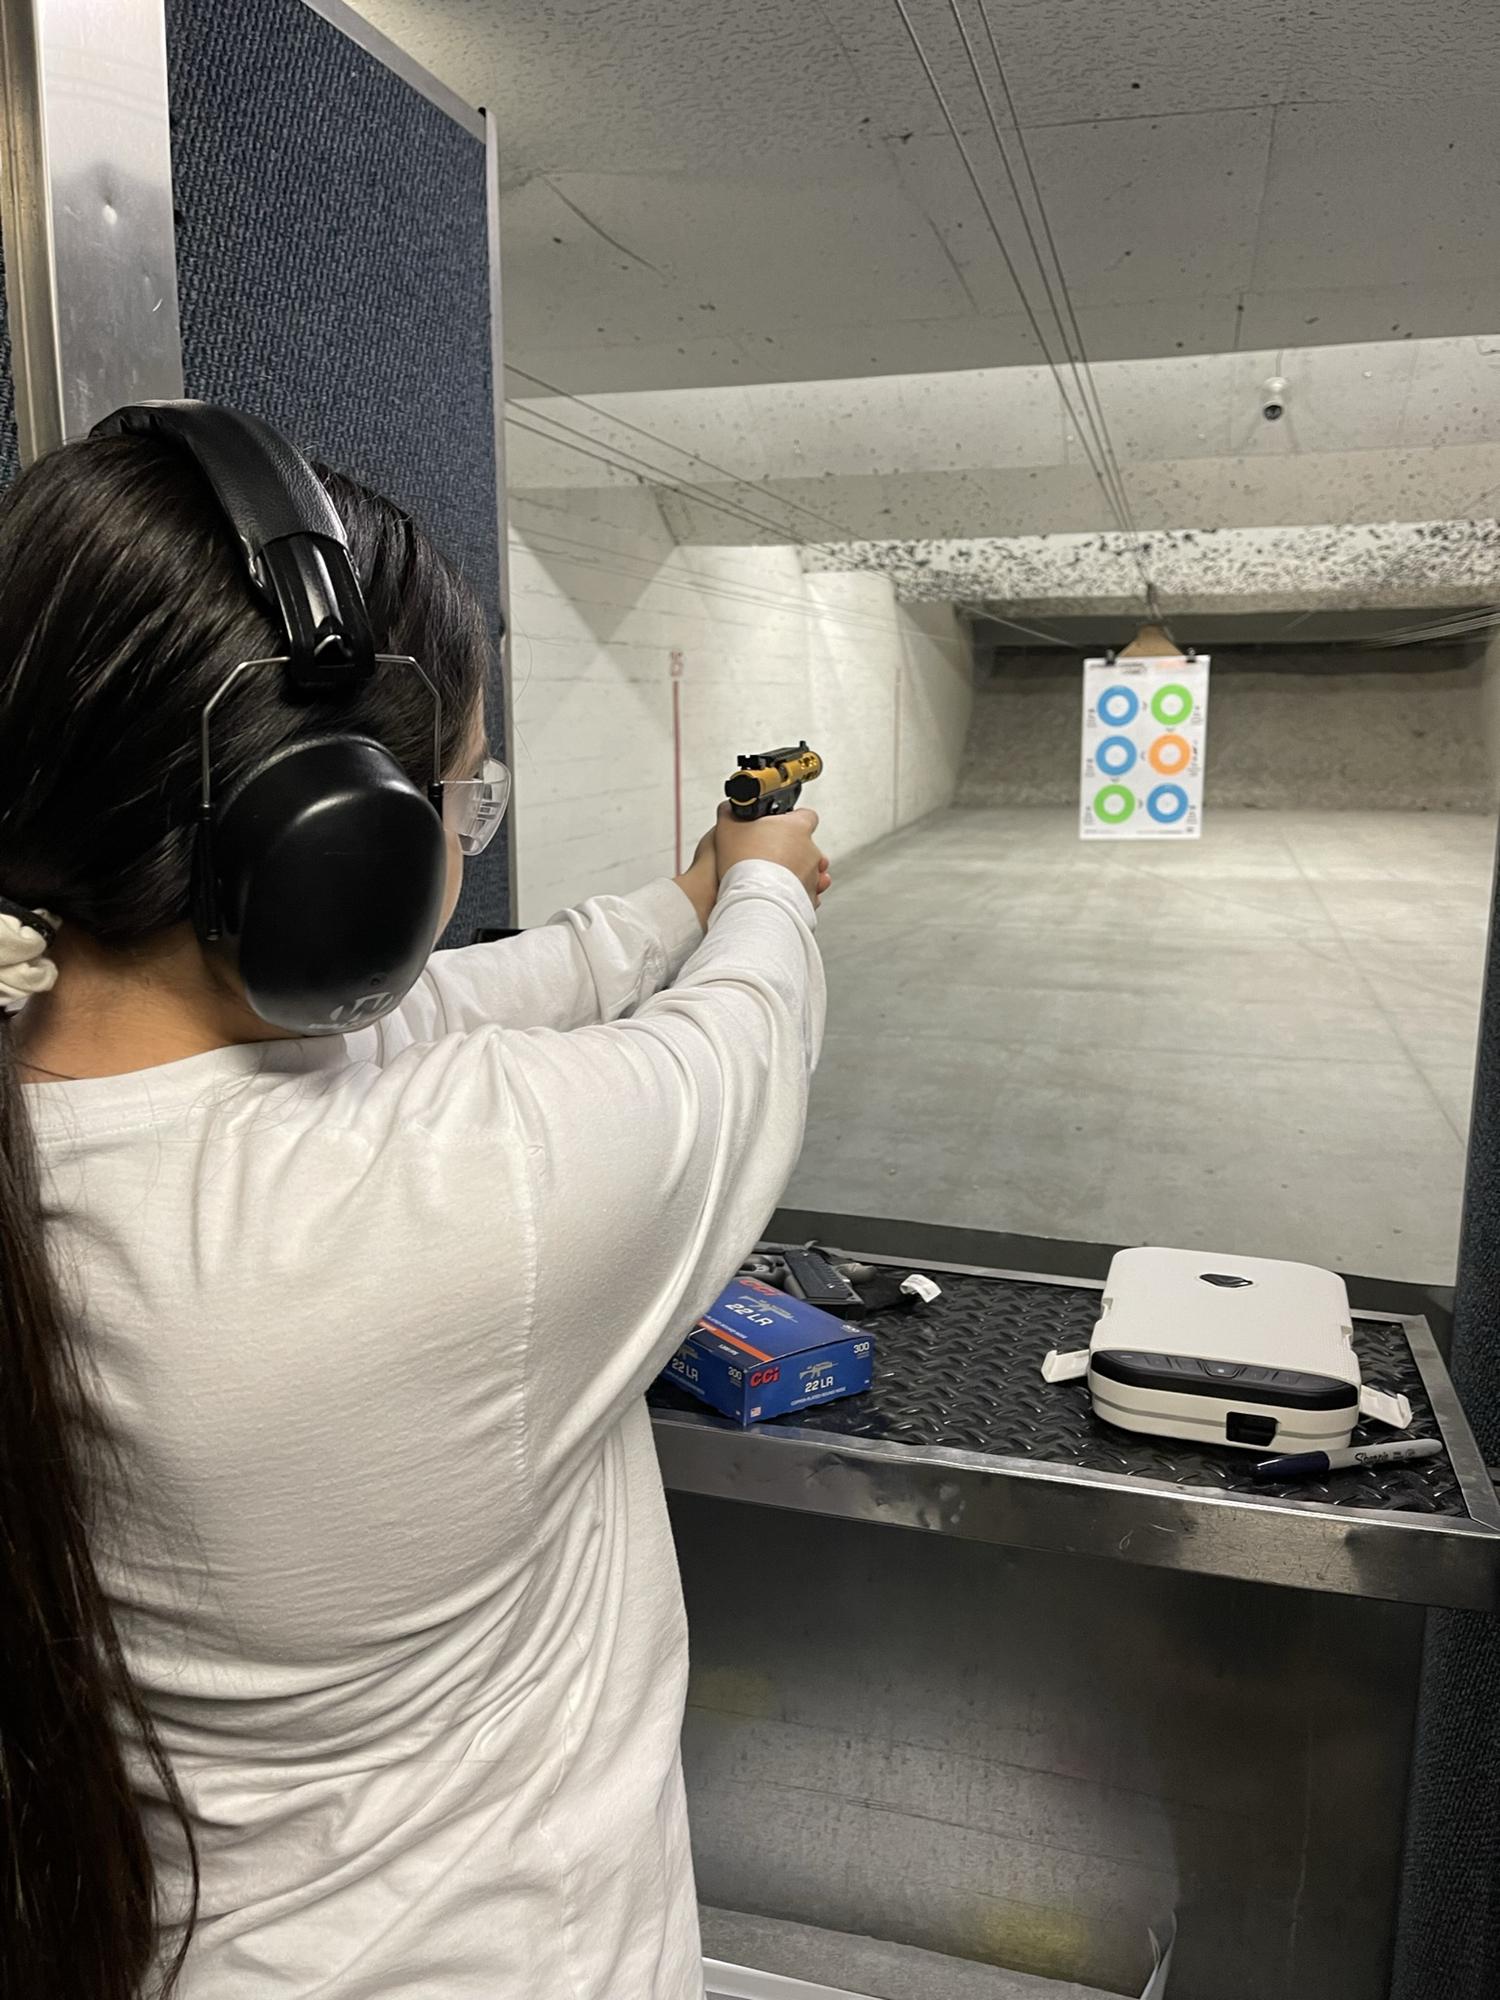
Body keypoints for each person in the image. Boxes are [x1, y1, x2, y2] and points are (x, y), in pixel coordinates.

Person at [0, 422, 829, 2000]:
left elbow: (430, 1013)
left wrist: (685, 900)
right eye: (458, 805)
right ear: (338, 852)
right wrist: (774, 886)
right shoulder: (466, 1199)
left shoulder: (62, 1099)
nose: (458, 843)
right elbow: (744, 1049)